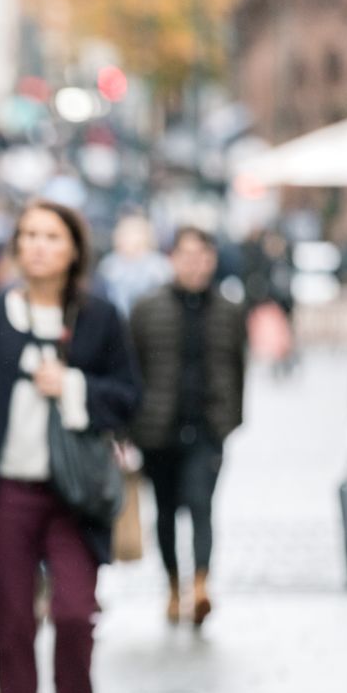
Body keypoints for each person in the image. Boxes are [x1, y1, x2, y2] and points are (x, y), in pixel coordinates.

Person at [0, 199, 139, 693]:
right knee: (12, 618)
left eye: (52, 236)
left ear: (74, 248)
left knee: (76, 612)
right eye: (28, 234)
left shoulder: (99, 317)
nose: (38, 245)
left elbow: (129, 398)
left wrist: (75, 387)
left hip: (75, 494)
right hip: (7, 490)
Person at [129, 226, 247, 627]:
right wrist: (134, 424)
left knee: (201, 506)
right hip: (157, 430)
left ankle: (200, 585)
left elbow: (238, 367)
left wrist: (231, 418)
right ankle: (172, 585)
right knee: (164, 512)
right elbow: (135, 368)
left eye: (202, 255)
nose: (195, 264)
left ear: (212, 260)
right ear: (172, 259)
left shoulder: (229, 310)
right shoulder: (147, 309)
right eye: (187, 255)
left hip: (208, 427)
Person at [94, 213, 170, 318]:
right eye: (124, 233)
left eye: (133, 233)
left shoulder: (159, 266)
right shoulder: (108, 265)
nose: (128, 238)